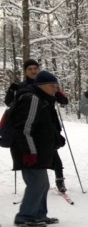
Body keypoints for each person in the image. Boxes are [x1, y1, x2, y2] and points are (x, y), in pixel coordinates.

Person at [5, 59, 69, 193]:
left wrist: (56, 91)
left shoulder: (47, 83)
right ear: (25, 71)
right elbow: (10, 103)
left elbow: (64, 101)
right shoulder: (22, 86)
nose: (33, 71)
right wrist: (12, 90)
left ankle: (59, 179)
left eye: (35, 68)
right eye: (30, 69)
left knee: (53, 152)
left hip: (50, 122)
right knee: (36, 154)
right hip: (32, 125)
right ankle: (38, 186)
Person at [9, 71, 63, 227]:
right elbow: (24, 129)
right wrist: (29, 152)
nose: (55, 89)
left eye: (56, 86)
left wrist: (55, 139)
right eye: (52, 86)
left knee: (43, 184)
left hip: (38, 149)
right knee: (37, 183)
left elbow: (44, 126)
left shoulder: (42, 99)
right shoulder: (32, 99)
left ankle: (39, 214)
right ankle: (25, 216)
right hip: (29, 150)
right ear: (41, 85)